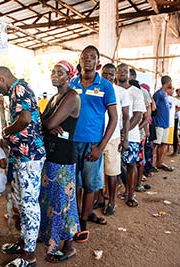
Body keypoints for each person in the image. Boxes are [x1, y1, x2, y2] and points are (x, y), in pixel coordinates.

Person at [0, 66, 45, 267]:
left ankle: (29, 257)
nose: (0, 91)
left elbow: (25, 118)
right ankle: (24, 243)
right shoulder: (17, 89)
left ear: (1, 77)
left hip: (29, 156)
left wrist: (6, 131)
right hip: (23, 156)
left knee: (29, 205)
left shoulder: (18, 89)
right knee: (22, 203)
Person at [69, 45, 117, 241]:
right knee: (74, 184)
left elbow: (113, 119)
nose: (87, 59)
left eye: (92, 57)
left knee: (89, 185)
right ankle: (74, 217)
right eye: (84, 56)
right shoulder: (72, 84)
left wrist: (100, 147)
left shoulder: (105, 85)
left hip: (92, 144)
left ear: (97, 63)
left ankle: (82, 223)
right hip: (71, 143)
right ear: (79, 60)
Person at [39, 60, 81, 263]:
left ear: (69, 76)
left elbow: (50, 122)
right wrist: (46, 125)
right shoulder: (55, 97)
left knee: (63, 202)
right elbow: (41, 121)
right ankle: (51, 239)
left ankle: (69, 246)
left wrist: (48, 124)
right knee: (51, 200)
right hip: (51, 154)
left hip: (63, 157)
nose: (55, 75)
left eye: (60, 72)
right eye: (53, 71)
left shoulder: (72, 97)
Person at [97, 64, 129, 215]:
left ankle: (111, 202)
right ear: (101, 74)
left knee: (112, 172)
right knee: (97, 172)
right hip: (96, 137)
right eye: (105, 74)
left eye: (111, 74)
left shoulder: (121, 92)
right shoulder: (96, 89)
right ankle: (100, 199)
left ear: (115, 75)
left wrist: (125, 139)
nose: (108, 77)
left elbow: (126, 117)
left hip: (114, 137)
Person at [116, 63, 146, 207]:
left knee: (131, 164)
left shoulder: (136, 92)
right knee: (114, 166)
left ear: (129, 74)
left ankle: (131, 195)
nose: (122, 73)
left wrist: (124, 132)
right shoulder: (112, 90)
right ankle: (118, 190)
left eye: (125, 71)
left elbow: (138, 115)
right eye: (119, 71)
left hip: (131, 136)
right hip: (112, 134)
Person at [153, 76, 175, 172]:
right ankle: (152, 164)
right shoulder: (158, 94)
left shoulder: (165, 94)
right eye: (171, 82)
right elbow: (153, 108)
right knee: (155, 144)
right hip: (159, 123)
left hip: (166, 123)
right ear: (168, 82)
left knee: (163, 143)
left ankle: (160, 162)